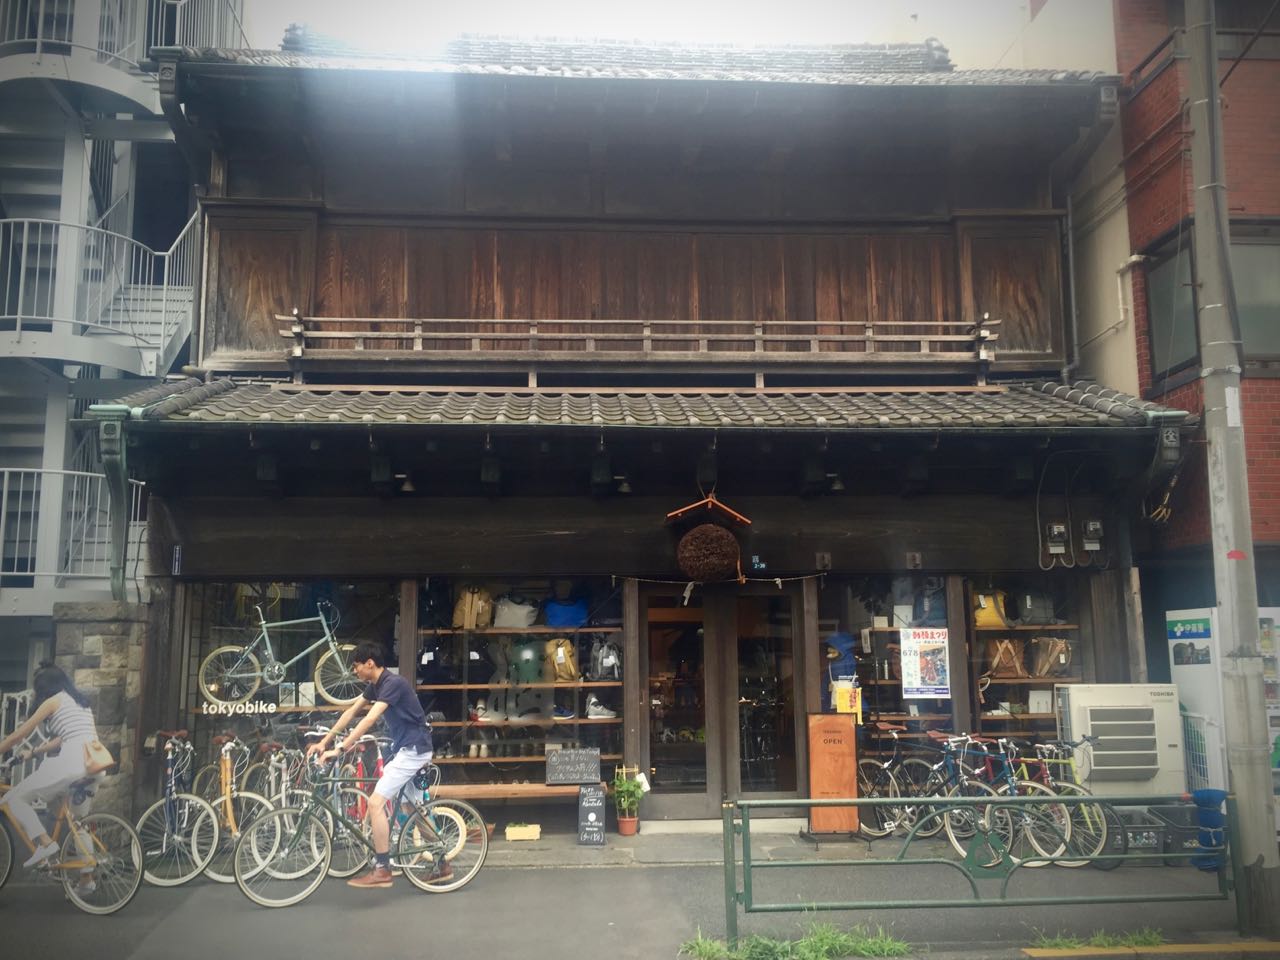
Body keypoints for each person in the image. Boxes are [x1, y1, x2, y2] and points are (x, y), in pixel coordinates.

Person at [306, 641, 434, 889]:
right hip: (407, 750)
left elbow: (371, 718)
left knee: (375, 803)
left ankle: (382, 868)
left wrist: (341, 748)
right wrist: (325, 742)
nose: (355, 672)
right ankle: (441, 863)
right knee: (410, 809)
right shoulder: (375, 686)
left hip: (414, 750)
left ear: (370, 664)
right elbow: (350, 713)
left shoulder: (392, 684)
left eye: (356, 667)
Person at [0, 663, 103, 889]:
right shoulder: (79, 702)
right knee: (77, 823)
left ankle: (45, 844)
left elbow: (19, 734)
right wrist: (34, 752)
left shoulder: (53, 701)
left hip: (72, 764)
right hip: (94, 765)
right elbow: (63, 738)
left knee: (14, 799)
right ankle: (87, 880)